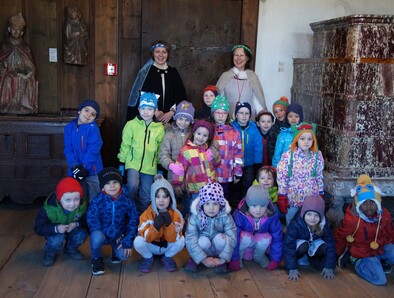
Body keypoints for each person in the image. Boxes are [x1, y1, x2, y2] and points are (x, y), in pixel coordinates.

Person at [335, 174, 394, 286]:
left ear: (378, 204)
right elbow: (341, 236)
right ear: (358, 205)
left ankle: (381, 261)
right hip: (363, 252)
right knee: (380, 280)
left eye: (372, 202)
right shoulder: (352, 220)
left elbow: (390, 231)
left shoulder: (384, 215)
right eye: (364, 203)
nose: (368, 206)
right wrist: (337, 255)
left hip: (380, 248)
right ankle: (356, 263)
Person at [118, 92, 165, 213]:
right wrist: (122, 162)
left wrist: (159, 166)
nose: (146, 112)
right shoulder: (131, 125)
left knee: (146, 193)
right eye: (143, 108)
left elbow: (161, 149)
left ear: (155, 111)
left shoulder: (159, 128)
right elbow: (125, 144)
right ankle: (130, 210)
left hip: (150, 166)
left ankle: (142, 216)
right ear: (138, 109)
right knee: (132, 186)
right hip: (133, 163)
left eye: (149, 109)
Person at [87, 167, 139, 276]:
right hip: (103, 234)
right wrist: (110, 232)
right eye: (108, 183)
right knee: (96, 237)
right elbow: (92, 220)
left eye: (115, 182)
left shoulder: (127, 200)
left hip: (119, 234)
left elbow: (133, 220)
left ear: (120, 183)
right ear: (102, 187)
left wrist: (128, 239)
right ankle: (96, 258)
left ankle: (115, 251)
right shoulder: (97, 201)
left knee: (124, 255)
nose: (112, 186)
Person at [127, 40, 187, 124]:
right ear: (153, 54)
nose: (161, 55)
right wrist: (155, 111)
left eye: (164, 52)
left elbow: (181, 96)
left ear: (168, 54)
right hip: (149, 118)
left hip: (170, 119)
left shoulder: (173, 73)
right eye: (157, 51)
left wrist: (172, 112)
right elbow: (141, 95)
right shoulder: (146, 73)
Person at [134, 175, 185, 273]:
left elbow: (173, 239)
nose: (161, 200)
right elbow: (146, 237)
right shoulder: (147, 214)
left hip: (166, 246)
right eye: (157, 197)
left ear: (171, 198)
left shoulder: (175, 214)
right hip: (152, 245)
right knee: (137, 241)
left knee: (182, 240)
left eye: (165, 197)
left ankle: (167, 257)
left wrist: (169, 223)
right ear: (153, 198)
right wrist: (155, 226)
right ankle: (148, 258)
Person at [276, 122, 324, 225]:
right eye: (302, 139)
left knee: (309, 223)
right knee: (292, 222)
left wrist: (320, 192)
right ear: (297, 139)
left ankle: (307, 239)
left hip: (311, 198)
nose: (306, 142)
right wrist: (282, 195)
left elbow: (319, 176)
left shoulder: (317, 156)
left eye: (309, 139)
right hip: (293, 197)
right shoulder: (288, 156)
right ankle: (291, 239)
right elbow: (282, 177)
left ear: (313, 140)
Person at [171, 119, 221, 216]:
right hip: (195, 189)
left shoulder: (209, 149)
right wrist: (177, 184)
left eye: (205, 135)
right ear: (194, 133)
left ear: (208, 137)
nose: (201, 138)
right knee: (194, 210)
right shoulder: (186, 150)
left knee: (207, 211)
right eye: (199, 134)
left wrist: (215, 156)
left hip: (210, 188)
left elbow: (217, 164)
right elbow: (180, 168)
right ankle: (189, 225)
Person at [34, 177, 88, 266]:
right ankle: (50, 253)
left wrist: (76, 224)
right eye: (68, 200)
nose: (72, 204)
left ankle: (70, 249)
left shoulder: (82, 206)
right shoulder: (48, 209)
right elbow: (38, 228)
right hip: (55, 231)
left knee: (81, 234)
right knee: (56, 240)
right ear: (59, 199)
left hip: (73, 228)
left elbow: (87, 220)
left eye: (76, 199)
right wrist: (56, 228)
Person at [184, 182, 237, 274]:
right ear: (202, 205)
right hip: (203, 247)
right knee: (202, 240)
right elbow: (190, 238)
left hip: (218, 248)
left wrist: (223, 259)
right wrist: (203, 259)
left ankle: (219, 260)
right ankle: (196, 258)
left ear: (220, 204)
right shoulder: (195, 217)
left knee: (222, 239)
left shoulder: (226, 217)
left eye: (215, 204)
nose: (211, 208)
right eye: (207, 204)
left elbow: (232, 237)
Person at [229, 185, 282, 272]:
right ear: (248, 205)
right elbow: (234, 236)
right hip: (245, 244)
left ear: (267, 205)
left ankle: (259, 256)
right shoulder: (240, 215)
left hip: (260, 244)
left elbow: (277, 237)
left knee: (267, 237)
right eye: (254, 205)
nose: (258, 210)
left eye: (262, 206)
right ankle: (239, 257)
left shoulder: (271, 216)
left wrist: (275, 259)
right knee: (244, 235)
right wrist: (234, 258)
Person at [283, 194, 336, 281]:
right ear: (303, 213)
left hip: (313, 243)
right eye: (309, 214)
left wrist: (329, 266)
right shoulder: (296, 223)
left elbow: (330, 243)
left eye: (316, 215)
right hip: (301, 245)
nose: (312, 218)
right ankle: (298, 258)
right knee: (303, 246)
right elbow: (288, 245)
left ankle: (313, 259)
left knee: (325, 246)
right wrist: (292, 268)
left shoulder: (324, 224)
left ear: (321, 216)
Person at [64, 99, 103, 201]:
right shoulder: (68, 128)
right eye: (86, 110)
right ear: (79, 111)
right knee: (75, 193)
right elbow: (68, 149)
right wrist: (74, 165)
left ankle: (94, 215)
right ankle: (78, 215)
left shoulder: (93, 129)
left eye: (93, 114)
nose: (88, 115)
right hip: (75, 168)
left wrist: (85, 167)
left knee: (95, 195)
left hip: (92, 169)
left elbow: (93, 151)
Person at [0, 13, 38, 114]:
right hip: (7, 73)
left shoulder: (25, 48)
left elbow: (31, 66)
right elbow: (1, 61)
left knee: (23, 79)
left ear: (22, 33)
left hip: (21, 74)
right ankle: (6, 105)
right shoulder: (4, 46)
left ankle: (22, 106)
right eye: (14, 29)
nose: (16, 32)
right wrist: (3, 67)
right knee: (8, 79)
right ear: (9, 30)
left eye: (19, 30)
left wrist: (29, 72)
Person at [216, 44, 266, 119]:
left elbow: (257, 100)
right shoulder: (225, 76)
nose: (238, 58)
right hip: (229, 118)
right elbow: (219, 98)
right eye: (236, 55)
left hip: (248, 119)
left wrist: (263, 115)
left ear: (247, 58)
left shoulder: (252, 77)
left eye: (242, 55)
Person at [211, 95, 243, 201]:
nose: (221, 116)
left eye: (224, 113)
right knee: (209, 199)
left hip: (226, 174)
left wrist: (237, 173)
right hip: (209, 174)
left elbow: (238, 155)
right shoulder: (208, 131)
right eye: (218, 112)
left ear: (227, 115)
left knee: (223, 199)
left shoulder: (234, 133)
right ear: (213, 114)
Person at [158, 100, 195, 186]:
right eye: (180, 119)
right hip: (173, 176)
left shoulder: (193, 134)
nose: (183, 122)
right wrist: (171, 165)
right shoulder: (169, 134)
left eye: (187, 120)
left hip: (191, 176)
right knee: (174, 196)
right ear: (175, 118)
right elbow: (163, 155)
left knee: (188, 198)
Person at [231, 101, 263, 200]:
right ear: (236, 114)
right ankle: (235, 202)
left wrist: (257, 163)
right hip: (235, 163)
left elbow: (258, 147)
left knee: (248, 182)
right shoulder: (231, 128)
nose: (244, 116)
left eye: (247, 113)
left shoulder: (253, 129)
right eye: (241, 113)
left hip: (249, 163)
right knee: (235, 183)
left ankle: (245, 200)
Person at [272, 102, 304, 168]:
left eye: (296, 116)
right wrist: (276, 167)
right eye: (290, 116)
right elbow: (277, 153)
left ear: (301, 118)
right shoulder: (283, 134)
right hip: (285, 167)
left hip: (301, 169)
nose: (293, 119)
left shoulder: (305, 133)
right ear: (287, 118)